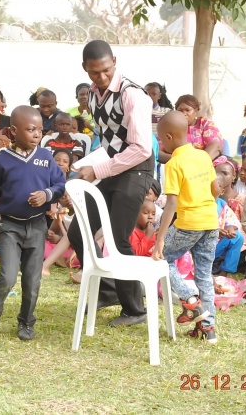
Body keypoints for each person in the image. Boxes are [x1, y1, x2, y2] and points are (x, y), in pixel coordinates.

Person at [66, 40, 154, 327]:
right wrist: (83, 168)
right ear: (84, 70)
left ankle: (135, 309)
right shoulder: (92, 96)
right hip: (111, 169)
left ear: (114, 61)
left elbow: (141, 148)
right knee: (79, 232)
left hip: (137, 171)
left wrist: (98, 169)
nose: (101, 77)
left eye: (106, 70)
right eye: (94, 73)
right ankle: (107, 292)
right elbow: (109, 143)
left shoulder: (133, 95)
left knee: (117, 240)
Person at [0, 105, 65, 341]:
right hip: (10, 227)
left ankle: (26, 320)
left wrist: (47, 194)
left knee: (33, 280)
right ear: (14, 130)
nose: (37, 134)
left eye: (40, 130)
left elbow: (59, 184)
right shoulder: (2, 161)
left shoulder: (45, 157)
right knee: (8, 277)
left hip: (37, 227)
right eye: (31, 129)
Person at [153, 111, 220, 344]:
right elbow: (216, 191)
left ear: (169, 137)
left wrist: (160, 239)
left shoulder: (173, 164)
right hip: (211, 222)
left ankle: (190, 301)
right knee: (204, 275)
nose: (161, 143)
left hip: (188, 223)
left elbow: (171, 203)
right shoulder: (203, 156)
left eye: (161, 139)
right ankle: (208, 329)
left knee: (162, 260)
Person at [172, 94, 222, 160]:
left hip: (205, 164)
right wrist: (181, 161)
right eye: (180, 110)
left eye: (187, 110)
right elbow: (160, 149)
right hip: (179, 164)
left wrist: (198, 163)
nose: (184, 113)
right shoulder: (172, 126)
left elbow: (215, 145)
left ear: (196, 110)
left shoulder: (206, 124)